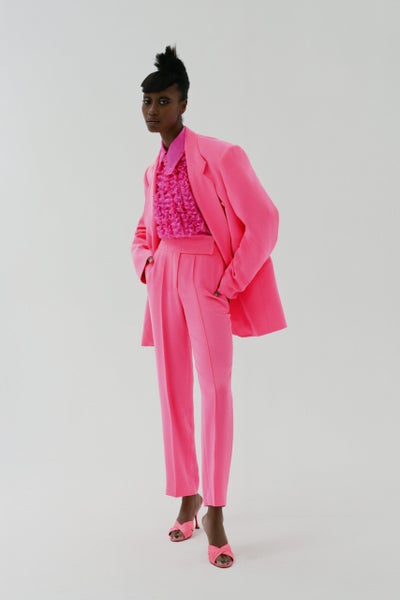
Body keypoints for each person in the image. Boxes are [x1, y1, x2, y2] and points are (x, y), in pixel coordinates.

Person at [131, 45, 287, 569]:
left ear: (184, 103)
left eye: (164, 100)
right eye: (147, 101)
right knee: (171, 389)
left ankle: (216, 510)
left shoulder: (220, 155)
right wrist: (147, 265)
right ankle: (188, 496)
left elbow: (265, 220)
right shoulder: (152, 170)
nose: (154, 110)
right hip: (164, 277)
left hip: (208, 278)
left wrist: (230, 281)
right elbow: (142, 231)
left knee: (215, 389)